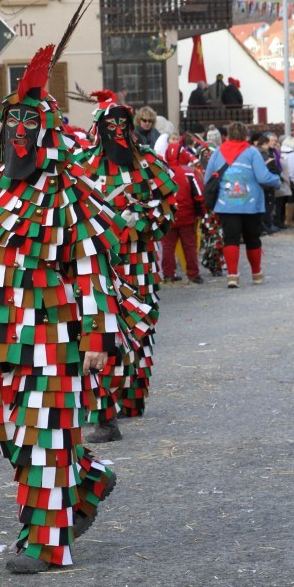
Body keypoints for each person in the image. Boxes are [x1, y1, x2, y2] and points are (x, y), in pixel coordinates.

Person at [0, 50, 148, 573]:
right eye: (13, 121)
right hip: (0, 334)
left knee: (43, 433)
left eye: (31, 121)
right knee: (6, 425)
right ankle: (88, 480)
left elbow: (90, 267)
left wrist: (97, 337)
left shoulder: (68, 192)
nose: (20, 132)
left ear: (46, 130)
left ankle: (45, 542)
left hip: (56, 333)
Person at [83, 93, 177, 425]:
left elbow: (167, 208)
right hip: (101, 264)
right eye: (110, 125)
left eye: (122, 124)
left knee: (141, 330)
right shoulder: (83, 164)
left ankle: (134, 397)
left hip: (141, 262)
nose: (117, 131)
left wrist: (134, 215)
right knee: (100, 329)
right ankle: (101, 400)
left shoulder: (150, 162)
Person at [204, 121, 280, 287]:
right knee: (252, 238)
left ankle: (232, 275)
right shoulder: (252, 152)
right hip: (251, 204)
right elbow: (262, 177)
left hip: (226, 204)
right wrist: (277, 180)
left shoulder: (218, 152)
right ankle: (256, 274)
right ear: (245, 135)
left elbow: (208, 177)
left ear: (228, 135)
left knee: (230, 239)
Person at [161, 142, 204, 283]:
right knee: (189, 246)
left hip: (167, 215)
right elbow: (199, 195)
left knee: (168, 247)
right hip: (187, 216)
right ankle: (193, 274)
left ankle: (168, 274)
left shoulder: (162, 172)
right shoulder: (190, 172)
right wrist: (200, 213)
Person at [256, 134, 280, 234]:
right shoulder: (263, 153)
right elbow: (268, 169)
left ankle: (267, 225)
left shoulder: (266, 152)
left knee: (268, 205)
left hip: (266, 184)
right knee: (268, 205)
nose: (273, 143)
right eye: (271, 141)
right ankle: (266, 226)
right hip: (267, 184)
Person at [279, 134, 294, 227]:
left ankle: (290, 220)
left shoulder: (280, 152)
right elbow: (291, 169)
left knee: (282, 200)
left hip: (282, 178)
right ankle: (289, 220)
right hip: (289, 180)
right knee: (291, 200)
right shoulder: (291, 153)